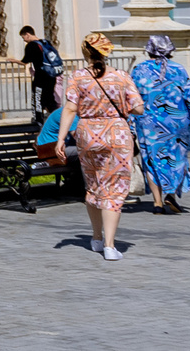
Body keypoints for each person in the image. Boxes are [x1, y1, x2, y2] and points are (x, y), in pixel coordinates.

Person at [55, 32, 146, 259]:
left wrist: (60, 139)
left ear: (85, 51)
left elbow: (69, 108)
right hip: (117, 135)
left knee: (94, 185)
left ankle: (96, 237)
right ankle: (109, 245)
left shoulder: (78, 77)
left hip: (87, 134)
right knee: (113, 189)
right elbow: (139, 108)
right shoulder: (121, 76)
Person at [128, 35, 190, 213]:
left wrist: (130, 124)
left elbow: (131, 98)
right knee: (177, 158)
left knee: (151, 159)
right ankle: (170, 194)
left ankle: (157, 202)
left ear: (149, 50)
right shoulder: (178, 69)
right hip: (177, 122)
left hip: (147, 123)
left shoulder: (139, 70)